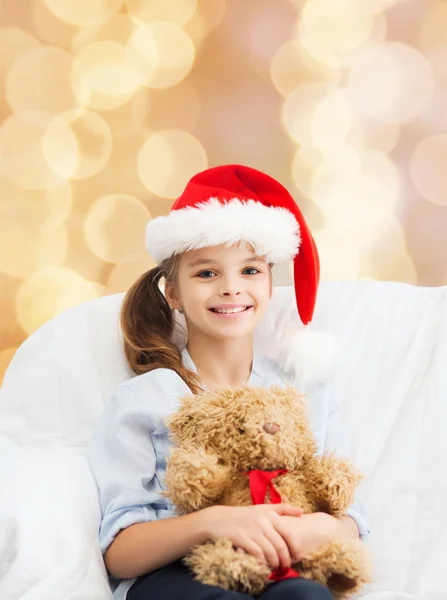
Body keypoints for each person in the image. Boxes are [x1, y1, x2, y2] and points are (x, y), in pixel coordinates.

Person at [88, 164, 370, 600]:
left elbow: (352, 521)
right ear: (173, 293)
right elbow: (119, 552)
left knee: (306, 597)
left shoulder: (306, 392)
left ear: (270, 283)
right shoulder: (144, 399)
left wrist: (316, 527)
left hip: (283, 569)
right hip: (180, 577)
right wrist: (216, 521)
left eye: (250, 271)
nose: (231, 288)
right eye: (206, 273)